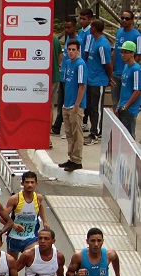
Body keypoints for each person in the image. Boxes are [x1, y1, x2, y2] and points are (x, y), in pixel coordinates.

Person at [60, 40, 87, 172]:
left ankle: (77, 159)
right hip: (67, 103)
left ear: (78, 50)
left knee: (77, 134)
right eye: (69, 49)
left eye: (73, 49)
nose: (71, 52)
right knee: (69, 133)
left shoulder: (80, 65)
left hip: (75, 105)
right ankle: (71, 158)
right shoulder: (68, 63)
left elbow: (82, 86)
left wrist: (77, 104)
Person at [85, 19, 113, 144]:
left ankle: (95, 133)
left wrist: (108, 78)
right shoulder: (93, 41)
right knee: (91, 107)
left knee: (97, 108)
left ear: (94, 28)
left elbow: (107, 64)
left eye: (91, 26)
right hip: (91, 80)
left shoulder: (102, 45)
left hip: (98, 80)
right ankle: (95, 130)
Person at [3, 171, 43, 258]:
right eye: (27, 182)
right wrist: (13, 225)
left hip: (31, 237)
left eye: (32, 182)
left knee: (30, 259)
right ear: (22, 183)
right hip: (14, 237)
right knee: (12, 265)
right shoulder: (14, 199)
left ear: (36, 183)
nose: (30, 185)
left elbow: (40, 207)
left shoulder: (39, 198)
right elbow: (2, 218)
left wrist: (45, 221)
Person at [113, 13, 141, 113]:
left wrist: (130, 68)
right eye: (122, 18)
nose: (124, 20)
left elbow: (138, 54)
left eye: (127, 18)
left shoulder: (137, 35)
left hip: (128, 74)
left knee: (126, 103)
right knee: (116, 102)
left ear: (132, 20)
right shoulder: (119, 32)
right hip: (116, 73)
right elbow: (115, 51)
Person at [117, 41, 141, 137]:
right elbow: (123, 87)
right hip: (123, 106)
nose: (123, 55)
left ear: (132, 54)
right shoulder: (126, 67)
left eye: (126, 52)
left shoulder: (136, 69)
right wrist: (119, 104)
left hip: (130, 109)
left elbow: (137, 90)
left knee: (129, 137)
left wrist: (126, 106)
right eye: (122, 52)